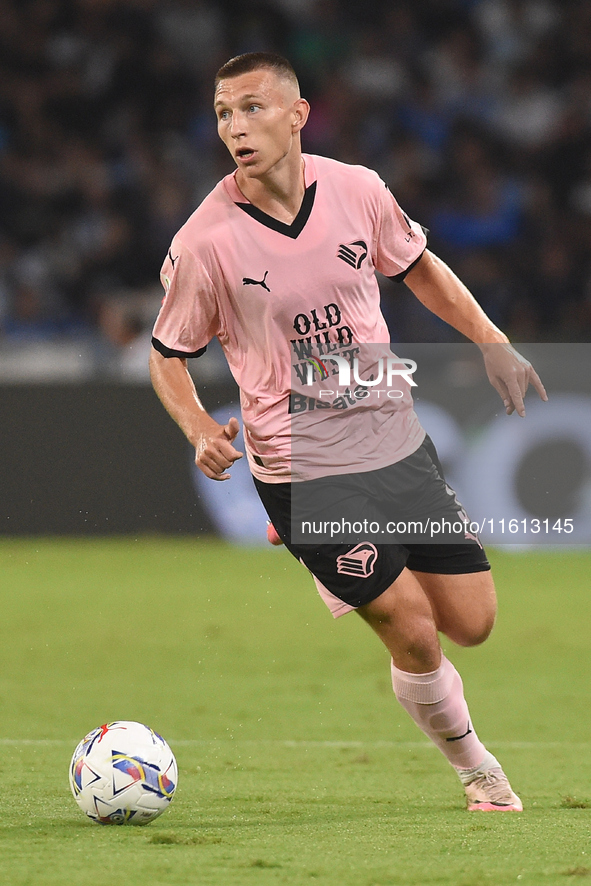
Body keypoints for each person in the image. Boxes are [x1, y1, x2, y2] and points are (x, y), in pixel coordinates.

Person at [149, 52, 547, 812]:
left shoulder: (358, 190)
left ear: (298, 115)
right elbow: (167, 355)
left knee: (472, 624)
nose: (235, 126)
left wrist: (490, 340)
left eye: (252, 107)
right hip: (300, 467)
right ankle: (478, 771)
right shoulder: (205, 241)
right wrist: (197, 424)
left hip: (391, 440)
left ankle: (305, 543)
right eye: (223, 113)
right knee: (414, 631)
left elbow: (418, 265)